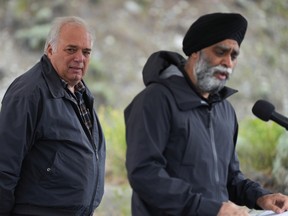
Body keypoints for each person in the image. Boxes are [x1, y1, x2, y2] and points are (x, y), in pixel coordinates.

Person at [124, 12, 288, 216]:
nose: (228, 62)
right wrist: (212, 209)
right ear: (195, 52)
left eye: (234, 55)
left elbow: (230, 178)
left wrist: (261, 197)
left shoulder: (225, 111)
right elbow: (145, 174)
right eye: (220, 52)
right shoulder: (155, 101)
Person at [0, 16, 106, 216]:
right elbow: (4, 166)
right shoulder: (28, 93)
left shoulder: (81, 92)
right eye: (71, 49)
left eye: (86, 52)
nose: (79, 58)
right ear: (50, 50)